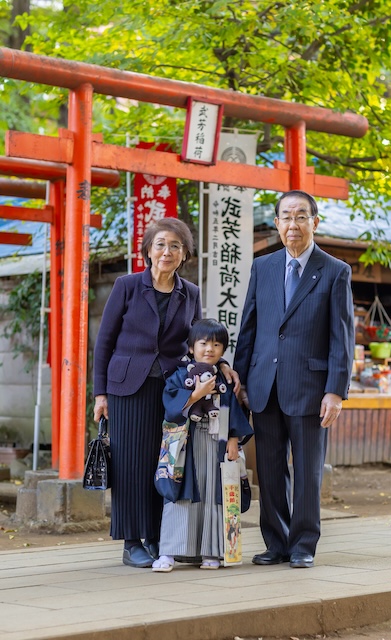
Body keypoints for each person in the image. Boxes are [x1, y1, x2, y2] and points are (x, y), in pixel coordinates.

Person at [93, 219, 239, 569]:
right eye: (160, 244)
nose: (167, 252)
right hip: (128, 387)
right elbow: (104, 342)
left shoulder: (190, 292)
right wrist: (100, 394)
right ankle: (132, 541)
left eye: (175, 246)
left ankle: (162, 537)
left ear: (184, 254)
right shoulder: (126, 286)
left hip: (174, 389)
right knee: (131, 462)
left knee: (168, 462)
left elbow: (201, 339)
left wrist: (221, 365)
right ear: (148, 250)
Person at [234, 190, 354, 569]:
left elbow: (342, 336)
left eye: (301, 216)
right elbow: (249, 327)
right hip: (263, 386)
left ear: (314, 223)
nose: (293, 224)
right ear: (277, 222)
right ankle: (276, 541)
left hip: (311, 388)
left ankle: (303, 544)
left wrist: (335, 390)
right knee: (269, 470)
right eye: (286, 216)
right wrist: (239, 379)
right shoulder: (263, 267)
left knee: (307, 472)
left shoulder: (334, 270)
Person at [152, 318, 253, 572]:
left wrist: (233, 439)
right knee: (180, 494)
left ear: (222, 351)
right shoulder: (179, 376)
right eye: (204, 343)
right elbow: (170, 406)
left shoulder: (224, 379)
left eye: (217, 345)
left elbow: (232, 410)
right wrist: (195, 394)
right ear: (191, 348)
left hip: (217, 441)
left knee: (214, 493)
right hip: (185, 442)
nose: (210, 349)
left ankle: (212, 551)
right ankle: (169, 552)